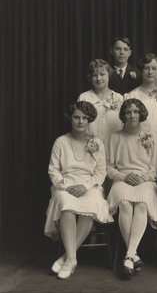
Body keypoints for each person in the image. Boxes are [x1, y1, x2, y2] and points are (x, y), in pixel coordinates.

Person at [44, 101, 111, 279]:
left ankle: (67, 257)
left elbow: (100, 172)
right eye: (76, 117)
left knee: (90, 206)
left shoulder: (96, 143)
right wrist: (67, 186)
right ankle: (72, 258)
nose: (80, 121)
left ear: (89, 120)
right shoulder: (61, 141)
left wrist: (86, 186)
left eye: (84, 118)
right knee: (66, 204)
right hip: (65, 185)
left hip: (89, 185)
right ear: (70, 119)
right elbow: (53, 170)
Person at [106, 98, 157, 277]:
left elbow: (156, 168)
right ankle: (133, 256)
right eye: (128, 112)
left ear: (141, 114)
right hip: (122, 179)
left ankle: (129, 255)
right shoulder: (114, 137)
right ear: (123, 115)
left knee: (142, 204)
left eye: (136, 111)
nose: (132, 115)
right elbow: (107, 167)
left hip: (145, 181)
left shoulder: (151, 137)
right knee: (124, 203)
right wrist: (123, 176)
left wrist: (143, 177)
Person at [125, 53, 157, 167]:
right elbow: (128, 126)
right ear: (141, 70)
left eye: (154, 68)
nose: (150, 72)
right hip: (141, 145)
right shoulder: (132, 96)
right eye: (146, 68)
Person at [77, 59, 123, 143]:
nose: (98, 78)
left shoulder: (118, 98)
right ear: (90, 77)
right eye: (95, 75)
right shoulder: (84, 98)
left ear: (109, 75)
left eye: (102, 74)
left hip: (114, 145)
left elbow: (124, 126)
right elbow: (79, 125)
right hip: (90, 146)